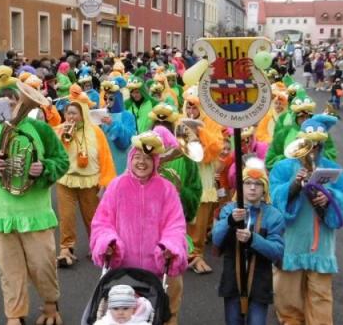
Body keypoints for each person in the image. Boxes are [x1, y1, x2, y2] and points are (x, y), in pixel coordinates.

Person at [0, 84, 69, 325]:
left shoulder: (40, 129)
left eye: (13, 103)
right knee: (9, 271)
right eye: (4, 104)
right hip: (2, 214)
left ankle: (51, 306)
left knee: (43, 266)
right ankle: (15, 314)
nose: (9, 108)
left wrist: (44, 168)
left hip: (36, 214)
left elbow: (61, 161)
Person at [90, 132, 188, 325]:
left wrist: (170, 246)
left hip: (160, 269)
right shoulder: (116, 186)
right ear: (130, 159)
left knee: (166, 314)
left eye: (147, 158)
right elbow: (102, 222)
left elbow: (175, 225)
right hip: (123, 272)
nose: (142, 162)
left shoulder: (167, 189)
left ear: (155, 161)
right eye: (137, 157)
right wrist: (108, 241)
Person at [270, 115, 343, 324]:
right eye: (309, 144)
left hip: (321, 244)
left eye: (317, 145)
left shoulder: (332, 169)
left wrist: (330, 198)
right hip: (292, 241)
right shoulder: (283, 167)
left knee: (320, 297)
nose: (313, 149)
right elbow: (273, 196)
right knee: (287, 295)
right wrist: (294, 185)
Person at [212, 158, 285, 325]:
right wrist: (229, 221)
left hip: (259, 284)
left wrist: (253, 239)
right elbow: (216, 239)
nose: (252, 187)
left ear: (265, 188)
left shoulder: (273, 215)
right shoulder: (230, 209)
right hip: (232, 282)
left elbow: (277, 251)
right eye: (248, 183)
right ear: (241, 186)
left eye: (258, 184)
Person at [54, 99, 116, 268]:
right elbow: (53, 153)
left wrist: (106, 181)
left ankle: (96, 246)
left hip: (90, 180)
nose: (70, 116)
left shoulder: (96, 132)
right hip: (65, 180)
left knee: (93, 217)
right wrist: (62, 135)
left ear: (83, 115)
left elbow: (105, 157)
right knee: (66, 217)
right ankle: (66, 249)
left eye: (74, 113)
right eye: (68, 113)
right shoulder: (59, 130)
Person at [182, 91, 224, 275]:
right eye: (189, 106)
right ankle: (183, 254)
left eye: (195, 106)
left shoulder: (212, 124)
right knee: (184, 218)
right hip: (185, 176)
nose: (192, 110)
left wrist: (200, 132)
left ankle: (197, 255)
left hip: (203, 175)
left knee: (200, 219)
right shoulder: (179, 123)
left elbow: (216, 148)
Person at [98, 80, 135, 175]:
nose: (107, 101)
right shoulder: (102, 114)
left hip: (121, 159)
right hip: (105, 159)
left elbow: (126, 142)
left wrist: (113, 124)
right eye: (105, 98)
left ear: (118, 99)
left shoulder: (127, 115)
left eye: (111, 99)